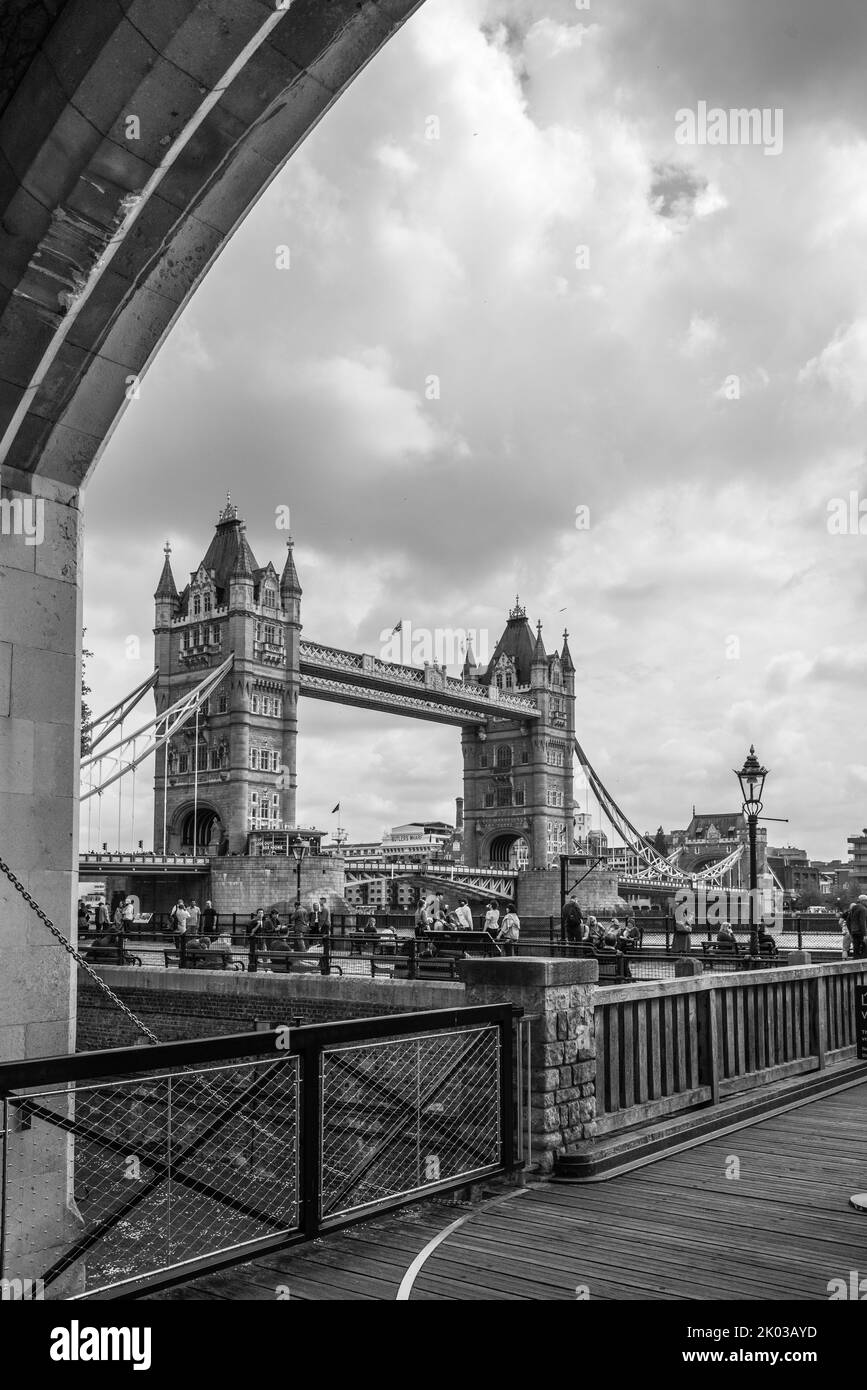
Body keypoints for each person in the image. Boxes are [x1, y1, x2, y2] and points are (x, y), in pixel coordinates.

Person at [849, 895, 867, 959]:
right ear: (863, 901)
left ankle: (855, 962)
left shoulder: (853, 908)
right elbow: (862, 922)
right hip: (860, 932)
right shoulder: (863, 909)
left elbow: (849, 921)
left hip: (854, 931)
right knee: (864, 949)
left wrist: (851, 931)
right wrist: (865, 935)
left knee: (856, 948)